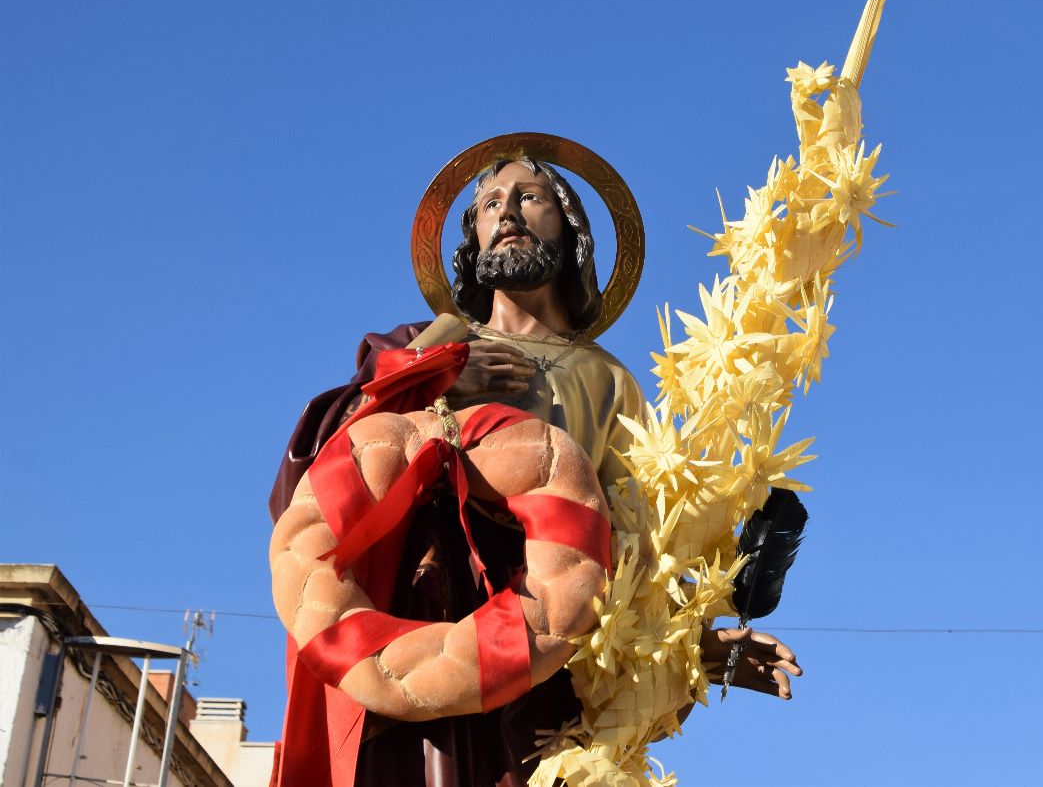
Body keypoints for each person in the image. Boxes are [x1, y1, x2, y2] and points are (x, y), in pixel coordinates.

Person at [270, 157, 800, 787]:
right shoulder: (428, 339)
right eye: (490, 204)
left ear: (570, 228)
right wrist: (433, 374)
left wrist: (691, 643)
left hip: (543, 653)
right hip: (418, 616)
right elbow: (325, 464)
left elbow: (637, 541)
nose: (507, 214)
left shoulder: (608, 381)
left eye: (530, 198)